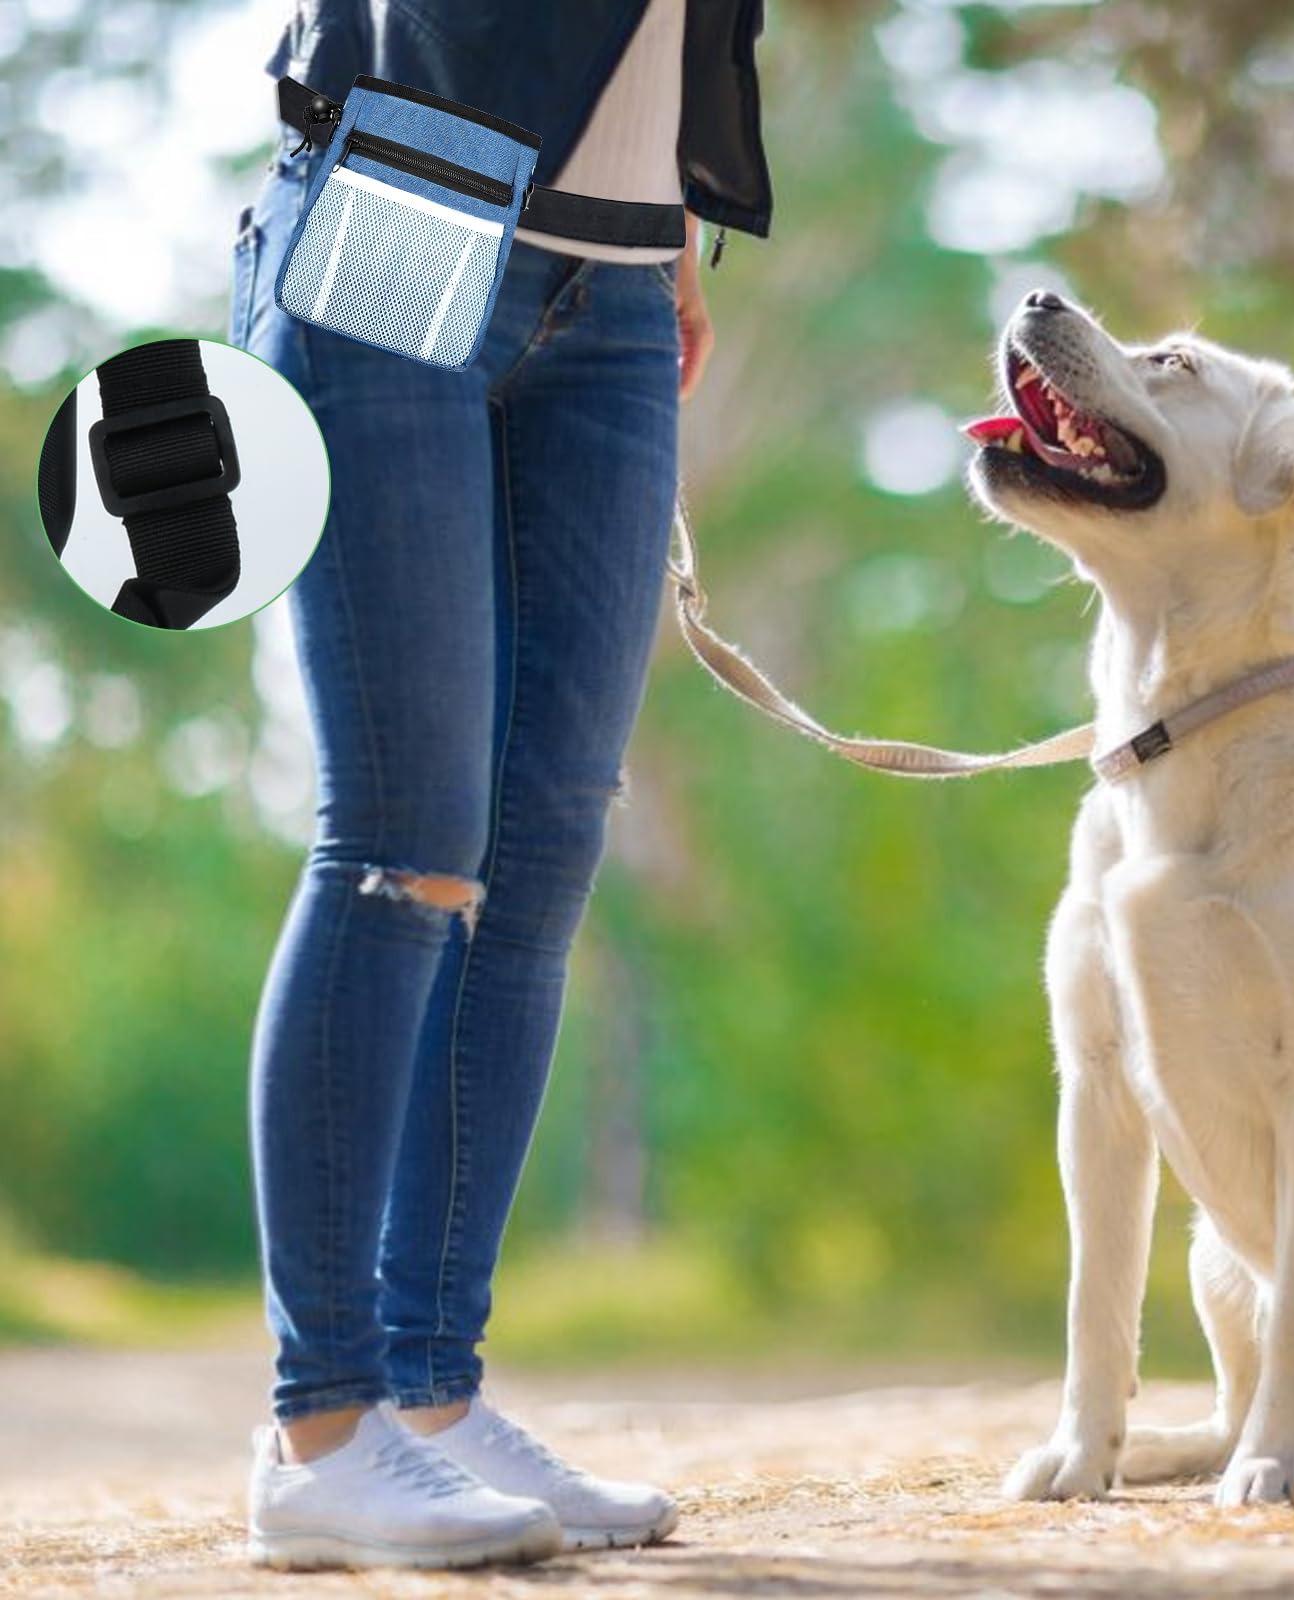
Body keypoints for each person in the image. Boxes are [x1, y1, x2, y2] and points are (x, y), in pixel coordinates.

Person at [233, 0, 771, 1570]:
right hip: (410, 191)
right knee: (407, 844)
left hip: (615, 278)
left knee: (534, 864)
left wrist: (673, 217)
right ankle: (322, 1425)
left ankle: (432, 1392)